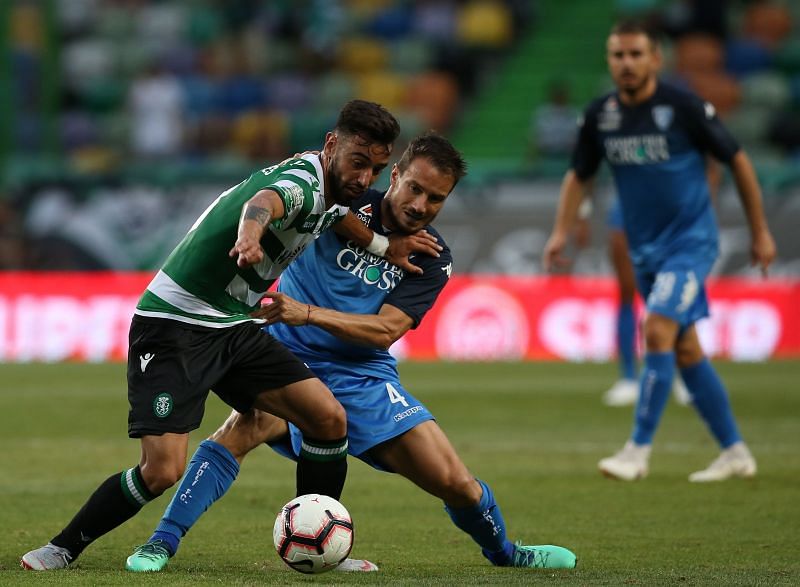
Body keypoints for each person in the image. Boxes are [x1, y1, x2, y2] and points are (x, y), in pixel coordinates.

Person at [124, 132, 578, 573]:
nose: (420, 205)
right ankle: (161, 542)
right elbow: (289, 199)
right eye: (414, 188)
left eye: (435, 199)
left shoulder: (432, 256)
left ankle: (505, 553)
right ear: (394, 175)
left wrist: (306, 312)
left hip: (363, 376)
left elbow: (385, 331)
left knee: (456, 482)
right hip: (290, 355)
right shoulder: (341, 203)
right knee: (242, 430)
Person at [20, 99, 441, 571]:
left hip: (231, 324)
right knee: (161, 471)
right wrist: (249, 235)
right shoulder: (302, 184)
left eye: (377, 169)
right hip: (174, 325)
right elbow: (263, 203)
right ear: (331, 145)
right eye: (358, 162)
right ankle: (63, 546)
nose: (365, 179)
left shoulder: (336, 189)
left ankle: (319, 543)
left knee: (327, 419)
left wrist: (385, 245)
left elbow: (336, 215)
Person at [543, 21, 776, 482]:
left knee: (658, 329)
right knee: (685, 349)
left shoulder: (683, 107)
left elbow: (738, 160)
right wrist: (560, 232)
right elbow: (579, 175)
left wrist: (760, 230)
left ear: (655, 59)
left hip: (691, 242)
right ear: (609, 60)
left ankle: (637, 450)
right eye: (617, 55)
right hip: (644, 249)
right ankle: (734, 451)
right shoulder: (601, 116)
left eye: (635, 54)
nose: (625, 64)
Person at [601, 197, 692, 408]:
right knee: (626, 291)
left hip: (669, 208)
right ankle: (629, 377)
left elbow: (711, 167)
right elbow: (585, 170)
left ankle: (681, 374)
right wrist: (581, 213)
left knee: (671, 293)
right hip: (626, 208)